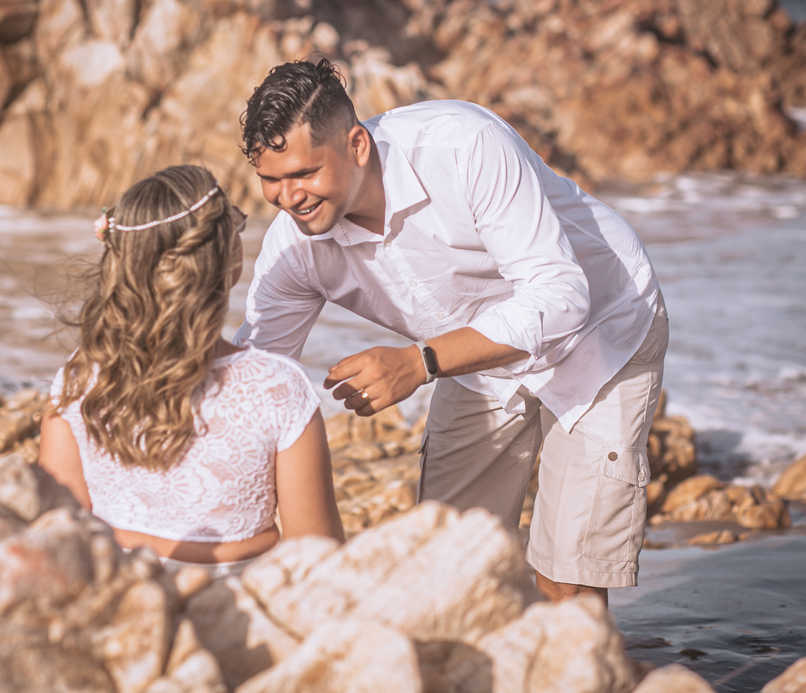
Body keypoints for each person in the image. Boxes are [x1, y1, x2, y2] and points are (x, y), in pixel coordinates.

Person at [235, 59, 667, 604]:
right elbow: (254, 375)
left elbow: (561, 298)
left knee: (565, 578)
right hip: (479, 365)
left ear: (357, 146)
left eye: (303, 174)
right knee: (446, 571)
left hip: (602, 329)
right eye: (270, 181)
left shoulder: (464, 147)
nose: (288, 197)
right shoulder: (293, 248)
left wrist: (418, 364)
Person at [39, 164, 345, 578]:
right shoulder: (277, 388)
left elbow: (59, 535)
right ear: (232, 258)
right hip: (245, 607)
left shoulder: (77, 384)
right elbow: (318, 555)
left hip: (126, 591)